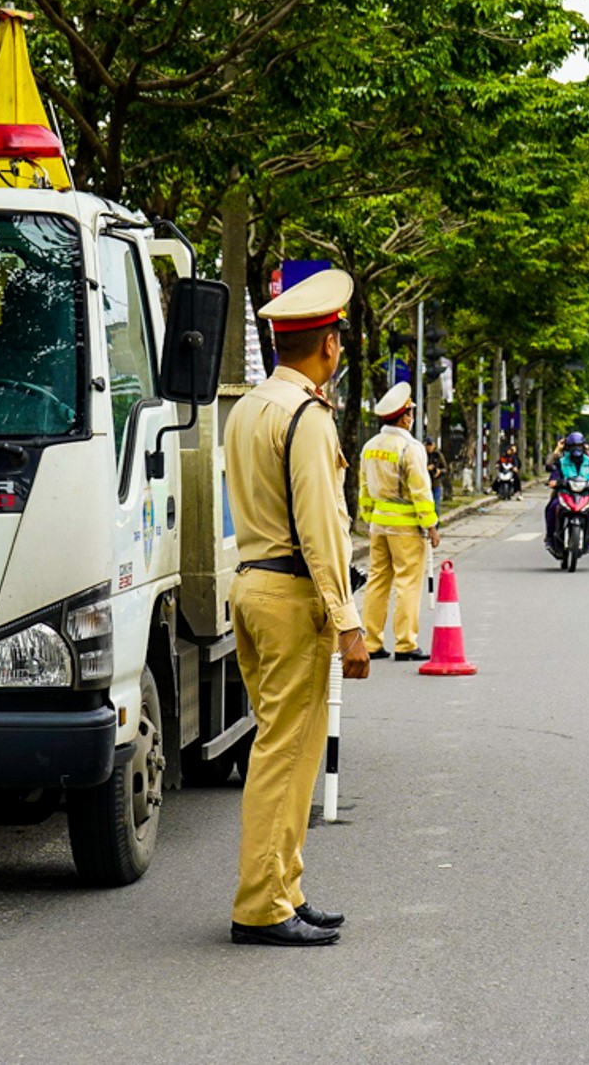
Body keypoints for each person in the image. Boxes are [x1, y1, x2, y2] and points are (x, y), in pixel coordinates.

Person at [221, 269, 368, 948]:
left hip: (251, 584)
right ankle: (262, 905)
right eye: (336, 336)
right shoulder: (306, 416)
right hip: (291, 597)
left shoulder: (249, 409)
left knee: (285, 750)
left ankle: (285, 888)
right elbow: (321, 525)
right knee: (287, 755)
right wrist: (348, 621)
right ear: (328, 345)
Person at [359, 382, 440, 662]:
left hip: (378, 526)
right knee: (407, 583)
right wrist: (430, 525)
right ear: (405, 416)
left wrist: (369, 517)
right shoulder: (410, 448)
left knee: (378, 581)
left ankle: (371, 642)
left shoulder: (370, 447)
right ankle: (406, 643)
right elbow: (420, 490)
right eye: (411, 413)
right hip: (406, 527)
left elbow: (364, 488)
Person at [545, 431, 589, 556]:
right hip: (564, 494)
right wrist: (555, 481)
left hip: (584, 495)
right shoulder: (561, 461)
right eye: (572, 446)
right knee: (551, 509)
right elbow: (552, 471)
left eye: (578, 445)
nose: (576, 449)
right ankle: (550, 539)